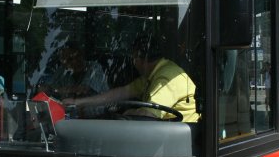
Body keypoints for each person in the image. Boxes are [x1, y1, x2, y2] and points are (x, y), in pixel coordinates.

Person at [64, 33, 199, 123]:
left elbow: (148, 115)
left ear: (141, 58)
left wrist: (127, 113)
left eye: (134, 58)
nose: (133, 63)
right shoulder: (152, 74)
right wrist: (79, 102)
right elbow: (121, 93)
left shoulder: (166, 79)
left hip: (180, 143)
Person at [40, 43, 108, 99]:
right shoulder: (62, 71)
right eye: (69, 59)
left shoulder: (94, 67)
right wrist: (46, 89)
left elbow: (83, 91)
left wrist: (56, 90)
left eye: (77, 56)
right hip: (71, 113)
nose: (75, 61)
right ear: (63, 63)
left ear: (82, 54)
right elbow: (47, 88)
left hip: (101, 113)